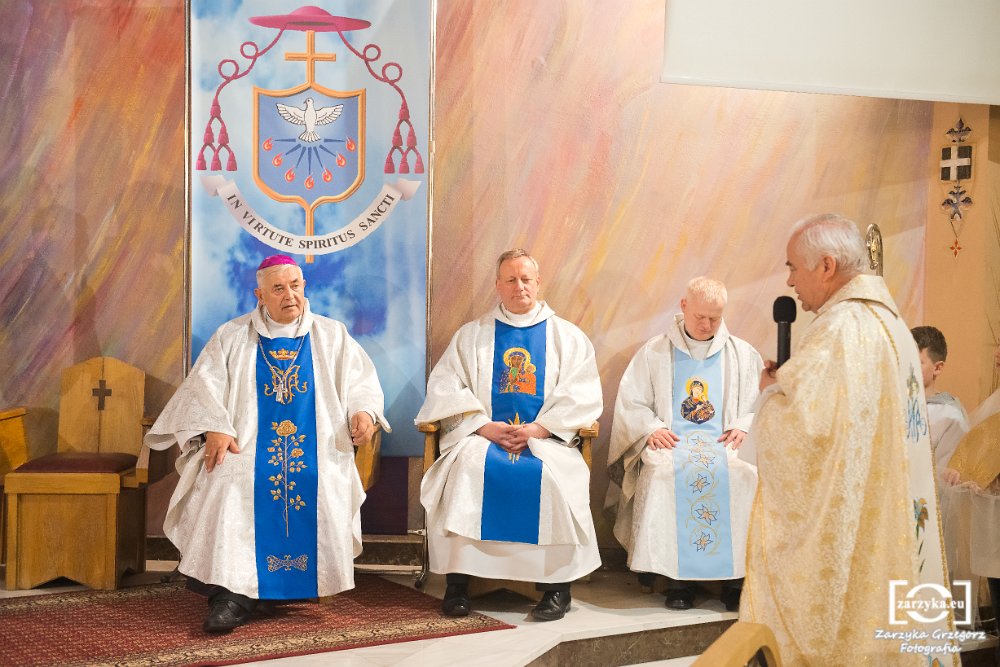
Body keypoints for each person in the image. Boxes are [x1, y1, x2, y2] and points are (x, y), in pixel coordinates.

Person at [741, 214, 955, 663]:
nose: (790, 280)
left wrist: (770, 396)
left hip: (852, 524)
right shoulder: (890, 323)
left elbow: (806, 434)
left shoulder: (840, 328)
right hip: (886, 514)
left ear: (826, 265)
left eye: (793, 267)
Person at [145, 255, 389, 633]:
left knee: (319, 479)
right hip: (244, 444)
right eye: (278, 288)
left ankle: (276, 589)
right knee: (227, 480)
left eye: (295, 285)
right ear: (260, 295)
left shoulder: (332, 335)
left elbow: (362, 383)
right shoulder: (231, 335)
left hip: (319, 447)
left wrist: (365, 412)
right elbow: (203, 388)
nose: (289, 295)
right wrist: (214, 427)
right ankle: (230, 593)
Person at [416, 248, 602, 622]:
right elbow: (445, 387)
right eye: (511, 280)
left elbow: (582, 394)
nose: (520, 287)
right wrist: (483, 426)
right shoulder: (473, 336)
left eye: (526, 279)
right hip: (482, 436)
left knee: (551, 475)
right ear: (498, 285)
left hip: (545, 439)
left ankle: (556, 588)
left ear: (538, 282)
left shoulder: (567, 337)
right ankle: (458, 584)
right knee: (466, 468)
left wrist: (539, 428)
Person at [606, 277, 762, 611]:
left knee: (744, 474)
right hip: (672, 443)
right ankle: (678, 581)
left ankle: (736, 581)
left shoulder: (743, 354)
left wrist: (744, 425)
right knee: (663, 475)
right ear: (684, 306)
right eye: (700, 317)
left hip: (724, 443)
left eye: (714, 318)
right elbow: (632, 402)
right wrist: (650, 428)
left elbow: (759, 404)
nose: (707, 325)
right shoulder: (655, 352)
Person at [911, 325, 969, 477]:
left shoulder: (950, 416)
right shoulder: (891, 404)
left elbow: (946, 476)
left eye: (916, 361)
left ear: (938, 368)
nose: (907, 367)